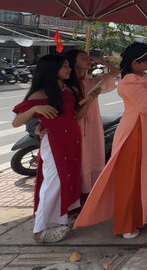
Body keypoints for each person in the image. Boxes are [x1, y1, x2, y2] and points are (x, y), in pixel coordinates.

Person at [74, 42, 147, 239]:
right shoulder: (128, 81)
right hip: (134, 131)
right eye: (145, 61)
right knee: (130, 178)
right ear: (135, 62)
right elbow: (145, 106)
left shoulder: (141, 76)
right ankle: (126, 223)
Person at [11, 54, 98, 243]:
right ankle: (39, 229)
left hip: (72, 140)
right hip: (55, 143)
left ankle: (61, 217)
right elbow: (16, 122)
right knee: (54, 182)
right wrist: (35, 110)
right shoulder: (41, 94)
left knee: (68, 179)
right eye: (65, 66)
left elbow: (76, 116)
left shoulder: (67, 90)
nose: (68, 69)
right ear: (52, 69)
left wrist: (90, 99)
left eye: (68, 65)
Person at [64, 50, 120, 200]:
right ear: (73, 62)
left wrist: (101, 60)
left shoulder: (92, 82)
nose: (87, 60)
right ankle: (78, 195)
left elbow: (116, 72)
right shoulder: (67, 85)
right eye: (82, 58)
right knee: (80, 158)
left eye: (87, 57)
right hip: (76, 126)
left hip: (93, 125)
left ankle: (92, 193)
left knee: (93, 155)